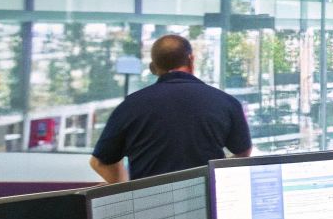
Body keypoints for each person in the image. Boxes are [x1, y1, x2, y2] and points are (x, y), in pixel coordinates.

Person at [89, 34, 251, 183]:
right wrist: (217, 180)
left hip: (149, 208)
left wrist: (126, 191)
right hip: (204, 206)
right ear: (191, 60)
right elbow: (243, 153)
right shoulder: (226, 102)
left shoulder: (130, 106)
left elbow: (100, 162)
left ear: (154, 67)